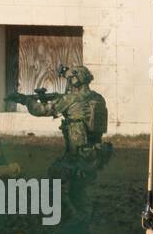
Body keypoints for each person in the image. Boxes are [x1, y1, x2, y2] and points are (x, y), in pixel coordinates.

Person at [12, 65, 112, 225]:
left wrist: (25, 100)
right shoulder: (98, 99)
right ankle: (83, 222)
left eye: (69, 81)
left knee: (50, 182)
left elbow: (39, 110)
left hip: (76, 156)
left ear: (75, 81)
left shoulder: (70, 99)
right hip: (94, 154)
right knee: (76, 191)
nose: (68, 85)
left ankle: (65, 219)